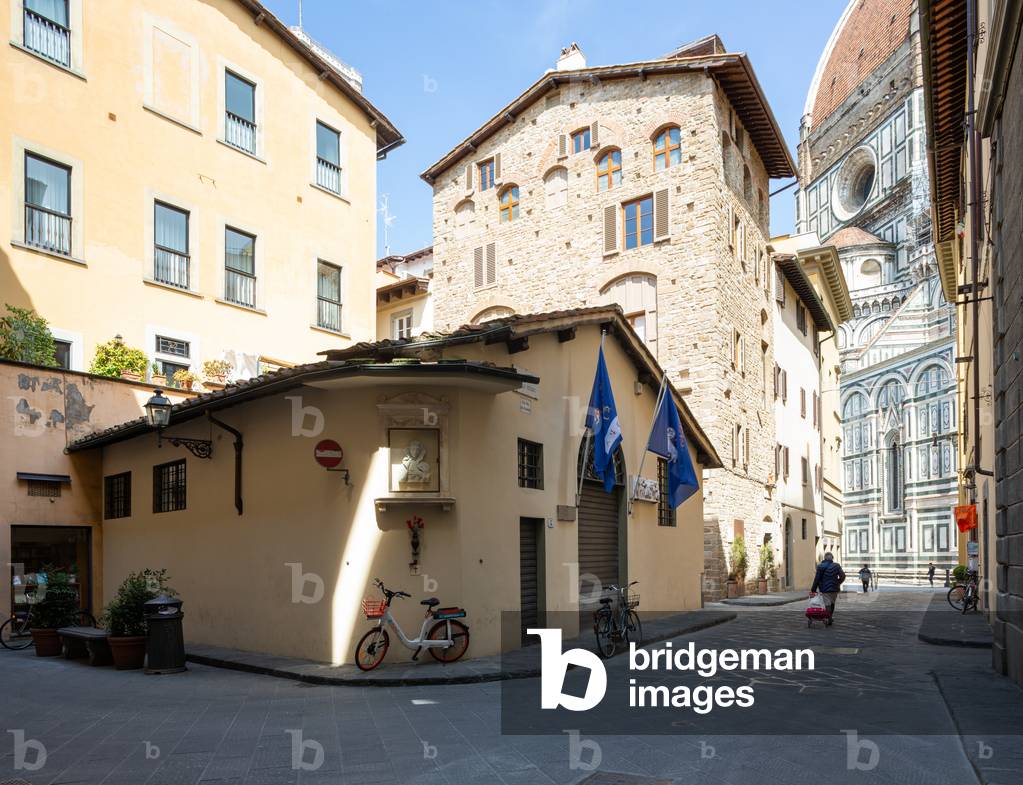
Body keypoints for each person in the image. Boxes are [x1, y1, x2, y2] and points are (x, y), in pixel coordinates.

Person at [810, 552, 846, 625]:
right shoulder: (837, 566)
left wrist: (813, 589)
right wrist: (838, 582)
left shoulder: (820, 566)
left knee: (827, 604)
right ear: (832, 558)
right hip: (834, 588)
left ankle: (828, 618)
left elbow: (817, 579)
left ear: (824, 558)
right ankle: (830, 617)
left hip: (824, 588)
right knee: (832, 603)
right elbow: (843, 576)